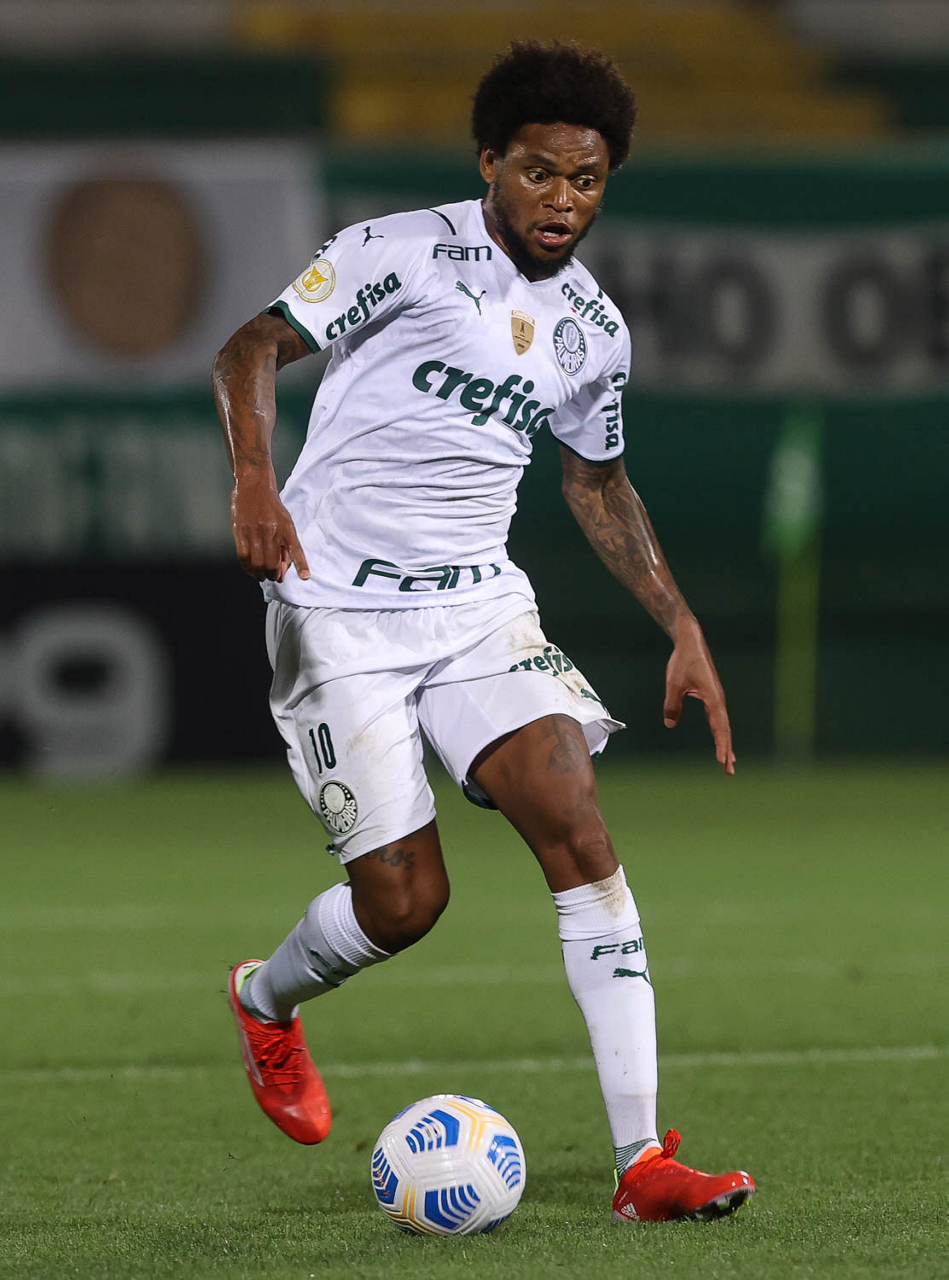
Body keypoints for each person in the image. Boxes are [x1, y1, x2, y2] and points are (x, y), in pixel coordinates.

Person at [212, 39, 754, 1224]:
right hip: (336, 607)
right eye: (539, 172)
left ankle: (641, 1162)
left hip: (477, 608)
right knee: (404, 904)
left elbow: (596, 484)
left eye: (586, 179)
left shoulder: (593, 328)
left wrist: (680, 620)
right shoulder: (399, 251)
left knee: (577, 823)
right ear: (489, 163)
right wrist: (255, 478)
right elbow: (249, 347)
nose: (563, 200)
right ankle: (265, 1000)